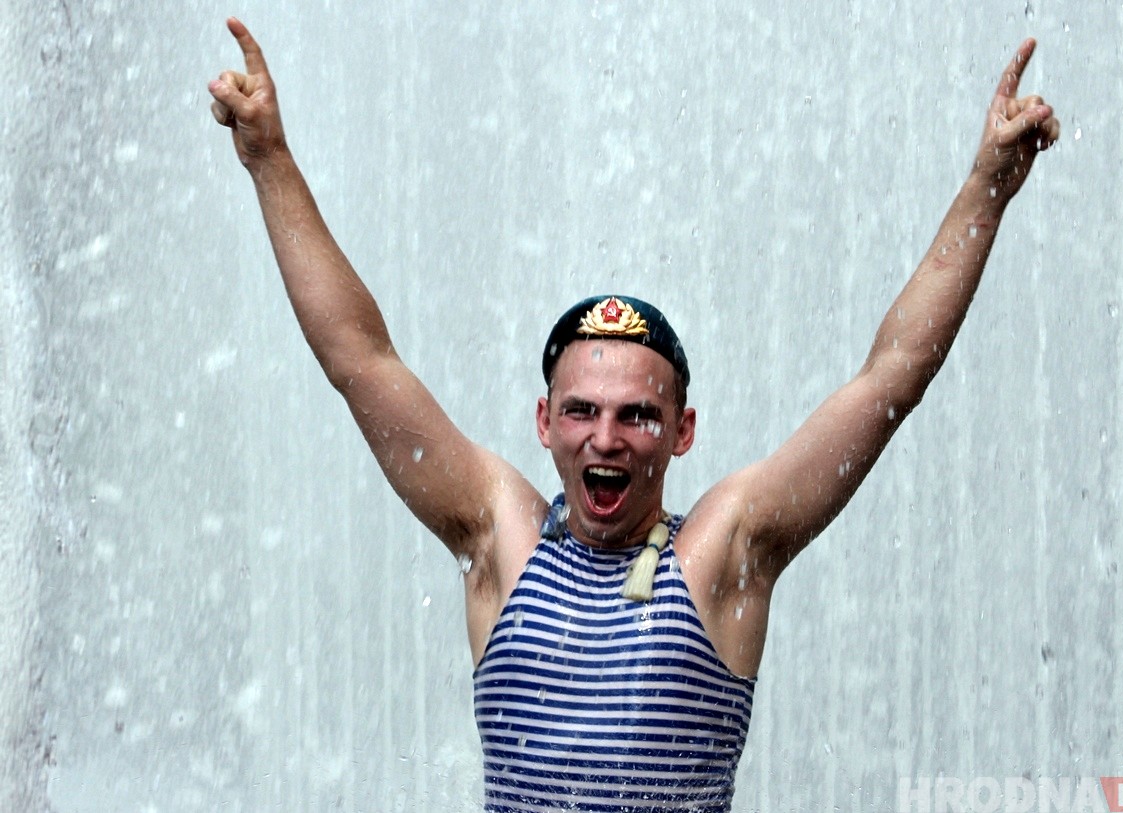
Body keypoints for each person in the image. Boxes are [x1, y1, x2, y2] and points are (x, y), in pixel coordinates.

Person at [209, 17, 1058, 812]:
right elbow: (360, 360)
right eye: (581, 411)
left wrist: (986, 190)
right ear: (544, 422)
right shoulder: (498, 533)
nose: (605, 438)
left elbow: (888, 381)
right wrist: (269, 160)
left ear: (681, 432)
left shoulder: (724, 550)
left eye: (637, 415)